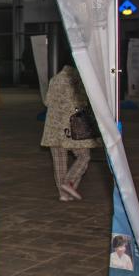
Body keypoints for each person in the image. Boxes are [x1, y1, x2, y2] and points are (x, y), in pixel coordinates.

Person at [41, 64, 102, 201]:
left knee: (59, 162)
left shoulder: (55, 79)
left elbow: (47, 101)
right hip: (73, 127)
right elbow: (83, 101)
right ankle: (69, 182)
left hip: (53, 127)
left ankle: (63, 194)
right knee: (84, 156)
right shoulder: (78, 79)